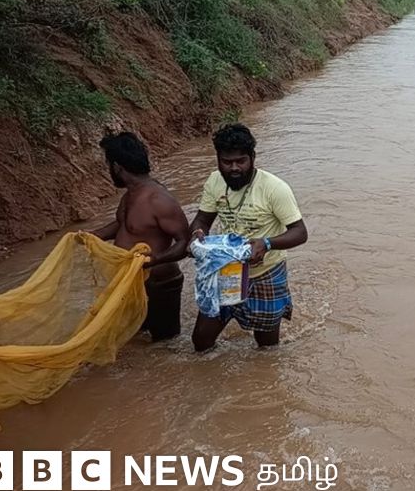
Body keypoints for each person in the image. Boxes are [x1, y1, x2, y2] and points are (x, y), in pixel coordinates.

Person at [188, 123, 308, 352]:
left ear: (252, 158)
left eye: (241, 161)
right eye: (227, 162)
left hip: (266, 273)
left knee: (266, 347)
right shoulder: (215, 182)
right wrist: (196, 235)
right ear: (217, 159)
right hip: (224, 269)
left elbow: (300, 232)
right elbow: (202, 219)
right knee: (201, 342)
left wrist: (267, 243)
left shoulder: (274, 188)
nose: (234, 168)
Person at [89, 132, 190, 341]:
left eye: (108, 166)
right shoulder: (129, 195)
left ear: (117, 167)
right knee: (136, 340)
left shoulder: (158, 199)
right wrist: (92, 236)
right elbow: (124, 225)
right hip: (133, 284)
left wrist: (154, 260)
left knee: (165, 345)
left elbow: (185, 242)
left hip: (160, 286)